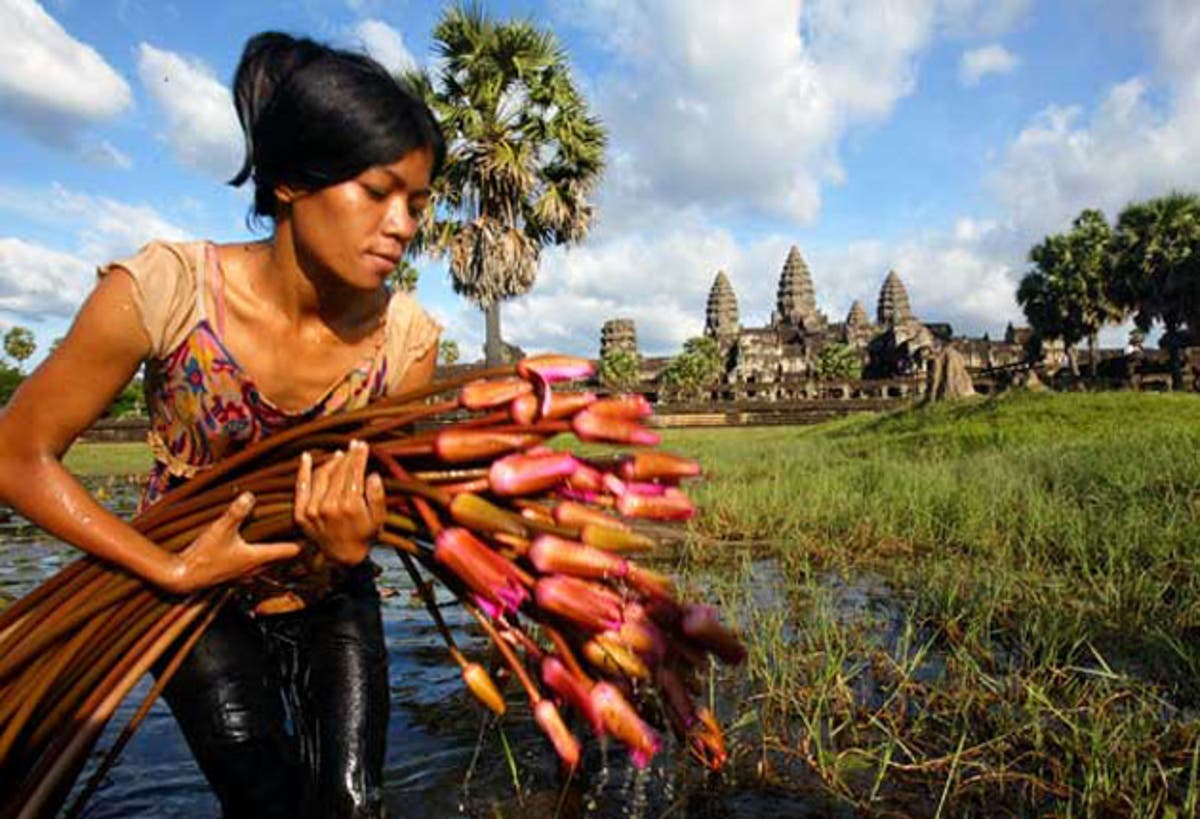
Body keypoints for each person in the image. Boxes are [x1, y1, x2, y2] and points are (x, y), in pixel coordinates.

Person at [0, 31, 444, 818]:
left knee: (352, 804)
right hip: (184, 601)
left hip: (327, 590)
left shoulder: (405, 342)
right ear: (287, 182)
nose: (402, 223)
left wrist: (353, 545)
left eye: (417, 201)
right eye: (377, 191)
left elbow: (372, 496)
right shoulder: (166, 290)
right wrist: (169, 570)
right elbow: (18, 456)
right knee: (265, 802)